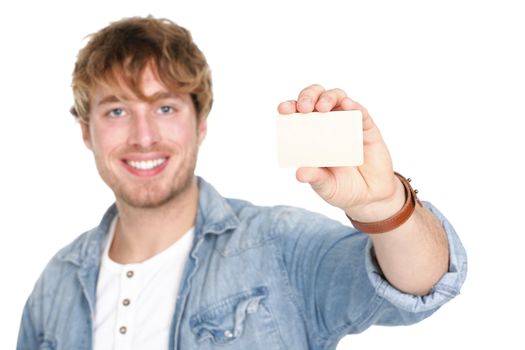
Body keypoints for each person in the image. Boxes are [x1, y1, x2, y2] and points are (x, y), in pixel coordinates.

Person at [16, 16, 467, 350]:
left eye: (165, 107)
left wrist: (384, 204)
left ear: (201, 123)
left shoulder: (279, 246)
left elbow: (420, 285)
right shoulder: (54, 285)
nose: (143, 135)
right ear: (85, 132)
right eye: (116, 110)